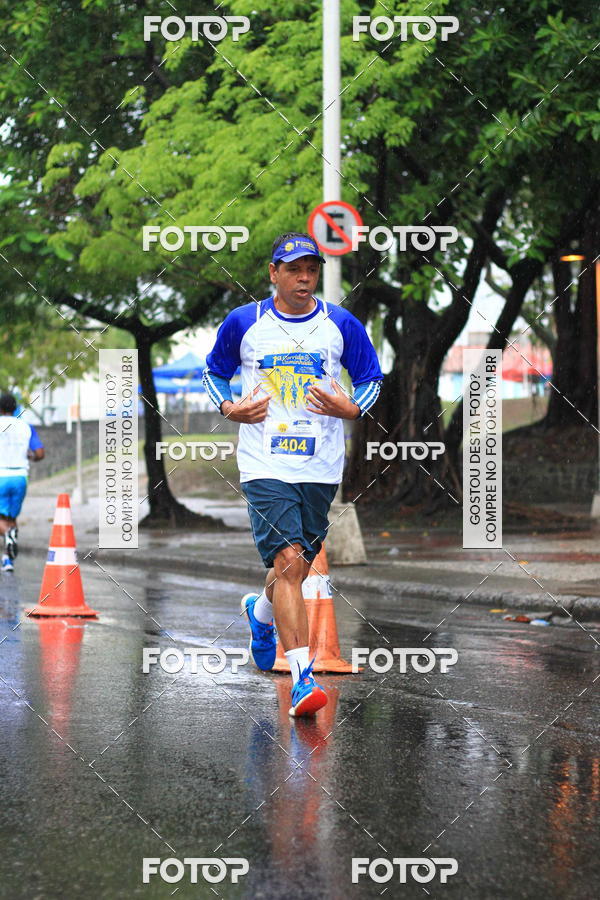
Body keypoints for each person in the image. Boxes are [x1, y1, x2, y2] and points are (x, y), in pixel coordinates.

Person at [202, 233, 383, 716]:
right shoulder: (245, 322)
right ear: (273, 273)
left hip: (321, 464)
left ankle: (259, 617)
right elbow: (212, 371)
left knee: (297, 568)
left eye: (311, 269)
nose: (304, 278)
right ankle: (303, 680)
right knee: (286, 561)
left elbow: (371, 379)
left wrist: (352, 406)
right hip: (264, 462)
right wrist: (228, 405)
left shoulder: (339, 323)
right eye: (294, 269)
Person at [0, 393, 45, 572]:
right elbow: (40, 453)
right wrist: (29, 455)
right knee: (11, 518)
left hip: (1, 476)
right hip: (20, 477)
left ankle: (8, 536)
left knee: (2, 521)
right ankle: (8, 560)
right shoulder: (26, 427)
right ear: (14, 408)